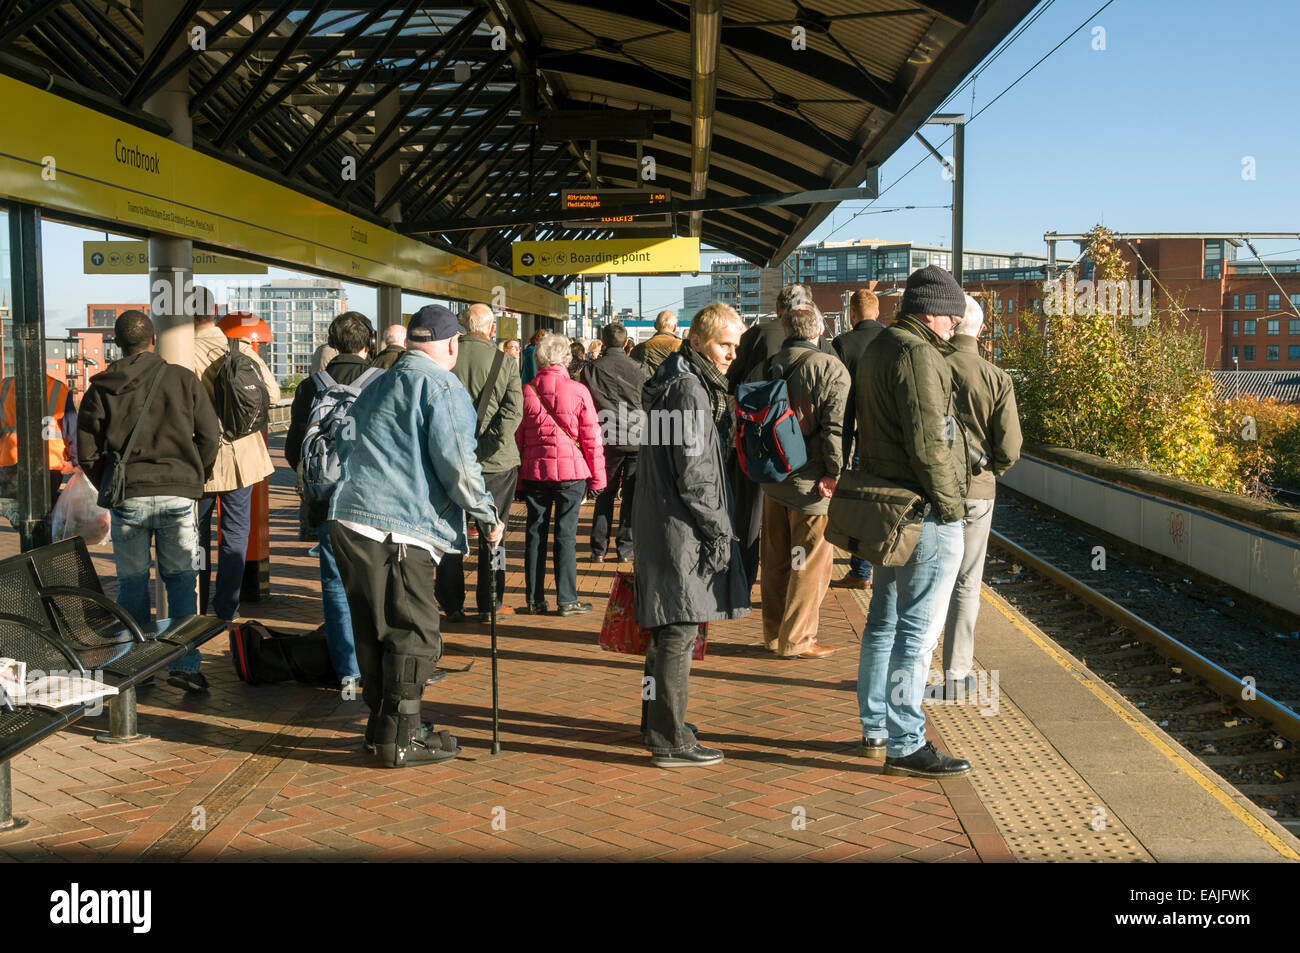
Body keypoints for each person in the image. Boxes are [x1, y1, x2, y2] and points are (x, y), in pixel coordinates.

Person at [326, 304, 503, 767]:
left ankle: (382, 728)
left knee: (373, 631)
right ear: (451, 344)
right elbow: (460, 468)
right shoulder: (442, 385)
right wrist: (487, 514)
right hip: (398, 528)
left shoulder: (377, 381)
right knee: (414, 634)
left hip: (349, 519)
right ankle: (401, 740)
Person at [855, 265, 972, 778]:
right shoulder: (919, 354)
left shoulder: (880, 346)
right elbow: (930, 444)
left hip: (886, 509)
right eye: (951, 317)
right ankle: (906, 742)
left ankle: (875, 727)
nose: (955, 326)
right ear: (931, 312)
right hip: (921, 512)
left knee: (881, 622)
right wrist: (951, 509)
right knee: (916, 633)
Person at [633, 302, 750, 767]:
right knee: (677, 630)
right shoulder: (690, 390)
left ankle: (658, 722)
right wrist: (720, 530)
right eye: (725, 345)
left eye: (736, 346)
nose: (731, 355)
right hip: (679, 527)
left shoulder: (677, 380)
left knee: (666, 629)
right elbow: (696, 470)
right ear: (698, 341)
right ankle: (669, 737)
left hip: (663, 520)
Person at [77, 311, 220, 693]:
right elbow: (210, 435)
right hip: (178, 494)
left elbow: (87, 453)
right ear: (153, 340)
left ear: (117, 343)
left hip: (129, 497)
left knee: (132, 583)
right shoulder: (182, 379)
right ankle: (185, 666)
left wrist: (110, 484)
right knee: (181, 581)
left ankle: (138, 668)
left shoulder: (101, 387)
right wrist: (194, 475)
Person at [749, 303, 850, 659]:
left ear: (787, 330)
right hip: (811, 484)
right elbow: (836, 428)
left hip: (773, 480)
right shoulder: (829, 368)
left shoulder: (766, 365)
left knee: (777, 560)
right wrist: (835, 473)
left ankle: (774, 634)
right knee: (808, 563)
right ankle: (799, 639)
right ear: (818, 331)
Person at [285, 312, 376, 689]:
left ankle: (349, 673)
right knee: (375, 583)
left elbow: (294, 449)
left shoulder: (311, 387)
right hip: (372, 501)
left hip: (326, 503)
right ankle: (378, 666)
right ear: (368, 343)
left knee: (335, 585)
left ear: (331, 343)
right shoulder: (381, 383)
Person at [940, 295, 1022, 697]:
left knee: (924, 578)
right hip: (976, 491)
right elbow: (1009, 448)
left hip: (929, 490)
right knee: (966, 582)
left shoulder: (930, 367)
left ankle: (910, 669)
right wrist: (990, 472)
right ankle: (956, 674)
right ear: (981, 329)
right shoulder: (996, 378)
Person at [189, 287, 280, 629]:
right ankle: (227, 606)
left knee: (194, 535)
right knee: (235, 534)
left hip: (200, 458)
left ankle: (194, 602)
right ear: (214, 311)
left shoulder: (180, 352)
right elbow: (271, 393)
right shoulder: (238, 347)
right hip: (242, 457)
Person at [435, 303, 522, 623]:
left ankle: (450, 602)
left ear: (460, 325)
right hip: (496, 463)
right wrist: (485, 447)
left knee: (449, 529)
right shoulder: (505, 362)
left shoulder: (447, 357)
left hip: (449, 460)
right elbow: (513, 413)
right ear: (492, 330)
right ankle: (490, 601)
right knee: (494, 532)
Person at [726, 284, 815, 592]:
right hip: (800, 448)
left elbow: (733, 379)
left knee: (749, 513)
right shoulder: (822, 345)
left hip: (758, 437)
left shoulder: (760, 333)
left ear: (779, 308)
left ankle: (744, 578)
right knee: (796, 523)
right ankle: (793, 581)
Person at [515, 332, 605, 616]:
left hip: (534, 473)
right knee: (565, 535)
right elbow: (592, 438)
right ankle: (567, 599)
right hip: (572, 474)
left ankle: (534, 599)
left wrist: (518, 479)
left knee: (535, 534)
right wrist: (598, 478)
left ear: (539, 358)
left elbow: (519, 440)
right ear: (565, 358)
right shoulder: (578, 391)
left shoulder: (527, 390)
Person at [577, 323, 649, 561]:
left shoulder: (591, 369)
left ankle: (599, 548)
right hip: (637, 437)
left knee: (604, 493)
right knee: (631, 494)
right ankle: (625, 549)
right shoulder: (640, 368)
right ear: (627, 343)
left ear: (603, 342)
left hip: (606, 438)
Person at [830, 288, 885, 591]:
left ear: (852, 314)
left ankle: (861, 571)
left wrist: (841, 450)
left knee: (861, 505)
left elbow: (842, 400)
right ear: (877, 312)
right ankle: (881, 564)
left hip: (861, 438)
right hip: (891, 439)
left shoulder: (844, 344)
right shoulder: (895, 341)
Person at [0, 373, 75, 524]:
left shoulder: (4, 387)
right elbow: (72, 430)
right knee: (43, 516)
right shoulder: (58, 389)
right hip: (50, 466)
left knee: (20, 513)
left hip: (10, 463)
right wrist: (77, 462)